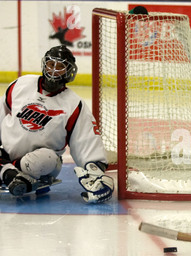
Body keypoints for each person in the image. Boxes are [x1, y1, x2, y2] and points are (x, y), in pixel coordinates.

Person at [0, 45, 114, 203]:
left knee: (43, 159)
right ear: (44, 64)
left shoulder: (74, 104)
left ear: (69, 71)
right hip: (4, 152)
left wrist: (95, 171)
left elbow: (87, 139)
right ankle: (11, 174)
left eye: (60, 67)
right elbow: (2, 112)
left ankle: (7, 173)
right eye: (51, 64)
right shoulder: (21, 84)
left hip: (40, 165)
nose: (54, 70)